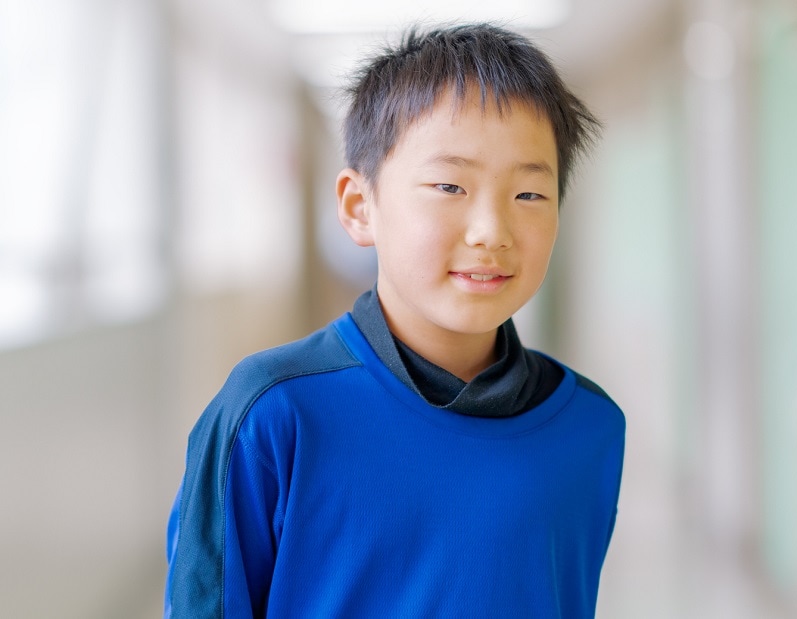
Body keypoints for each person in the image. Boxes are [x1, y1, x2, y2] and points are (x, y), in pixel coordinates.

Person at [165, 22, 625, 618]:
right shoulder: (273, 414)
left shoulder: (589, 426)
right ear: (361, 208)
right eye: (449, 185)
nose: (491, 230)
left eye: (529, 195)